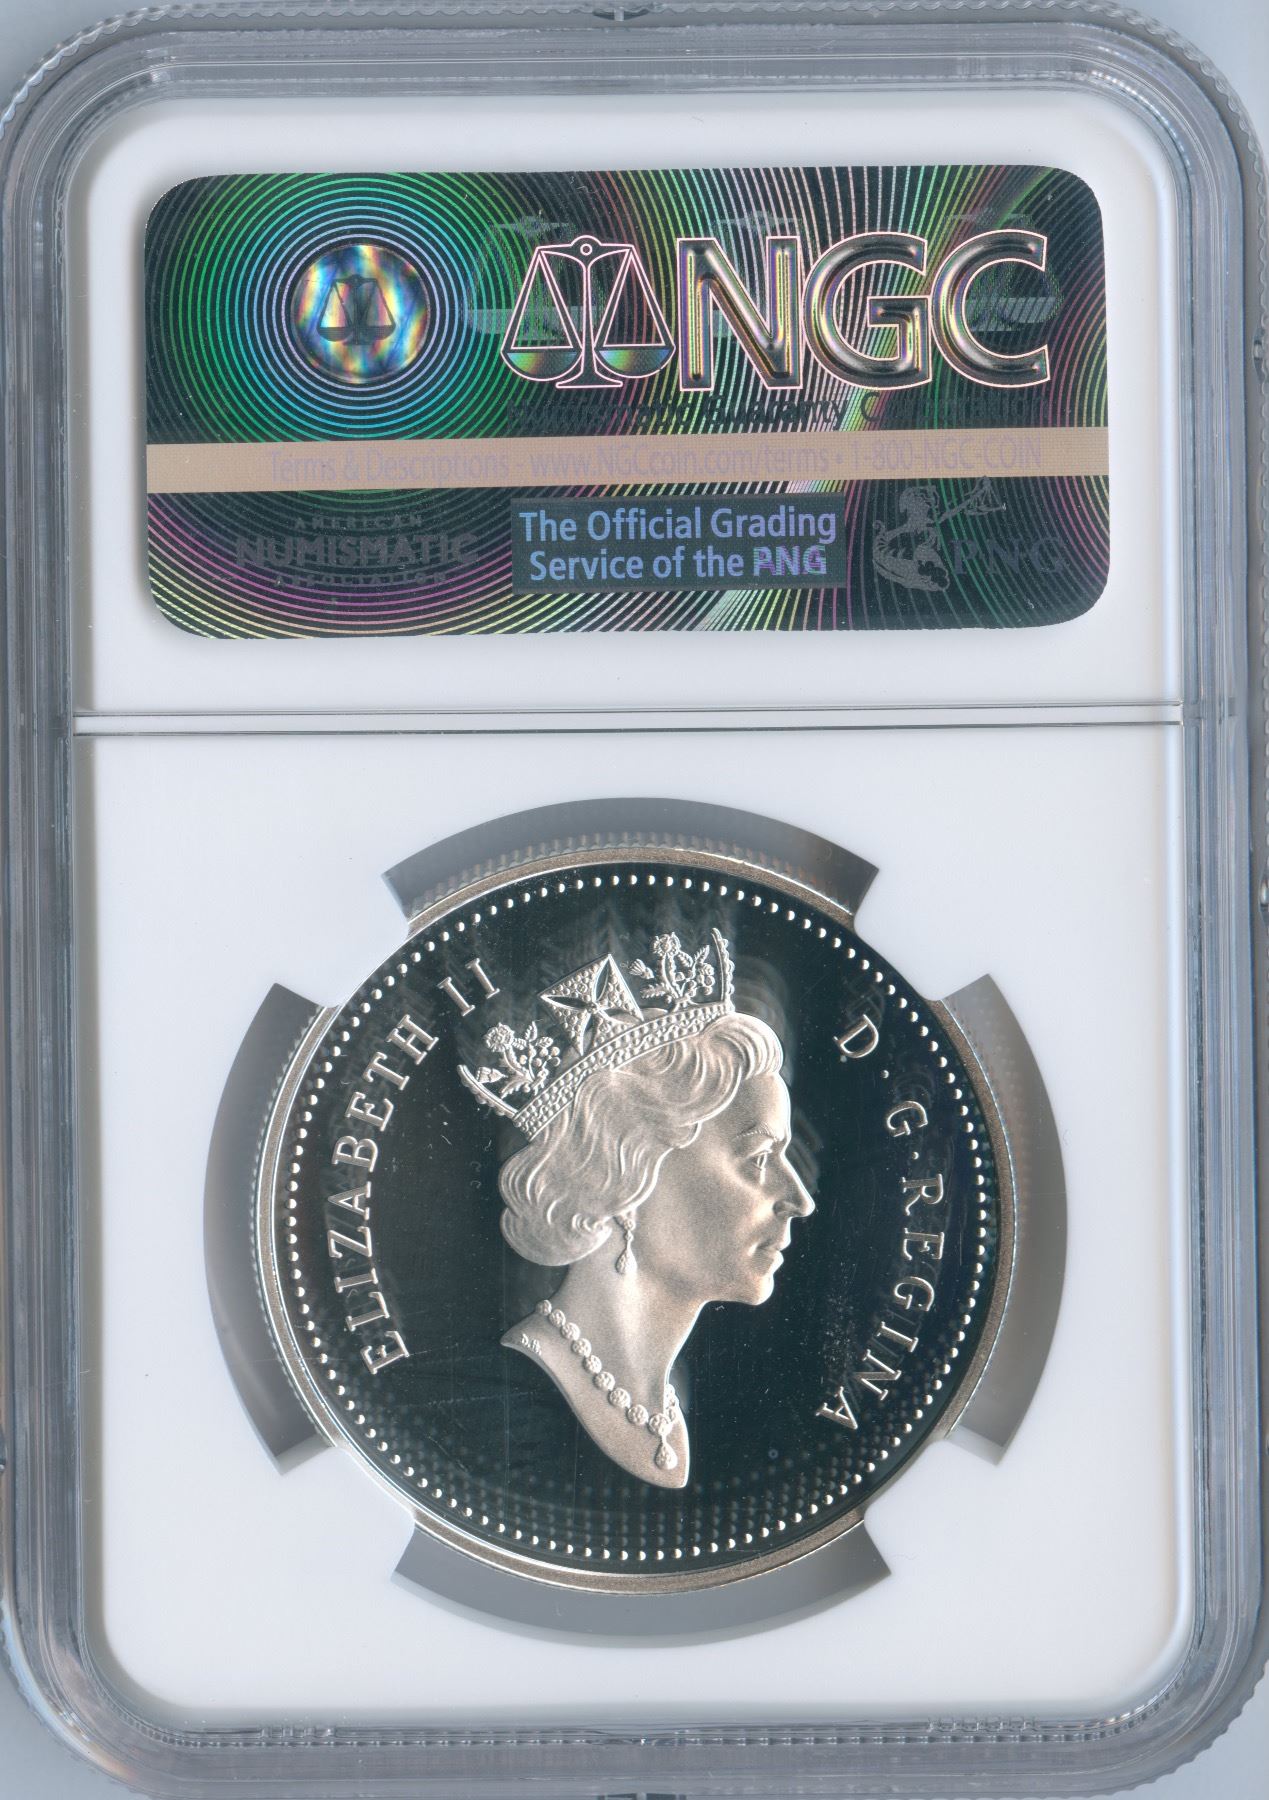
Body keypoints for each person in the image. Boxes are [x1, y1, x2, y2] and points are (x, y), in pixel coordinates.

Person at [485, 934, 814, 1488]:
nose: (800, 1200)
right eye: (759, 1158)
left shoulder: (662, 1407)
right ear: (627, 1173)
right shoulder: (501, 1409)